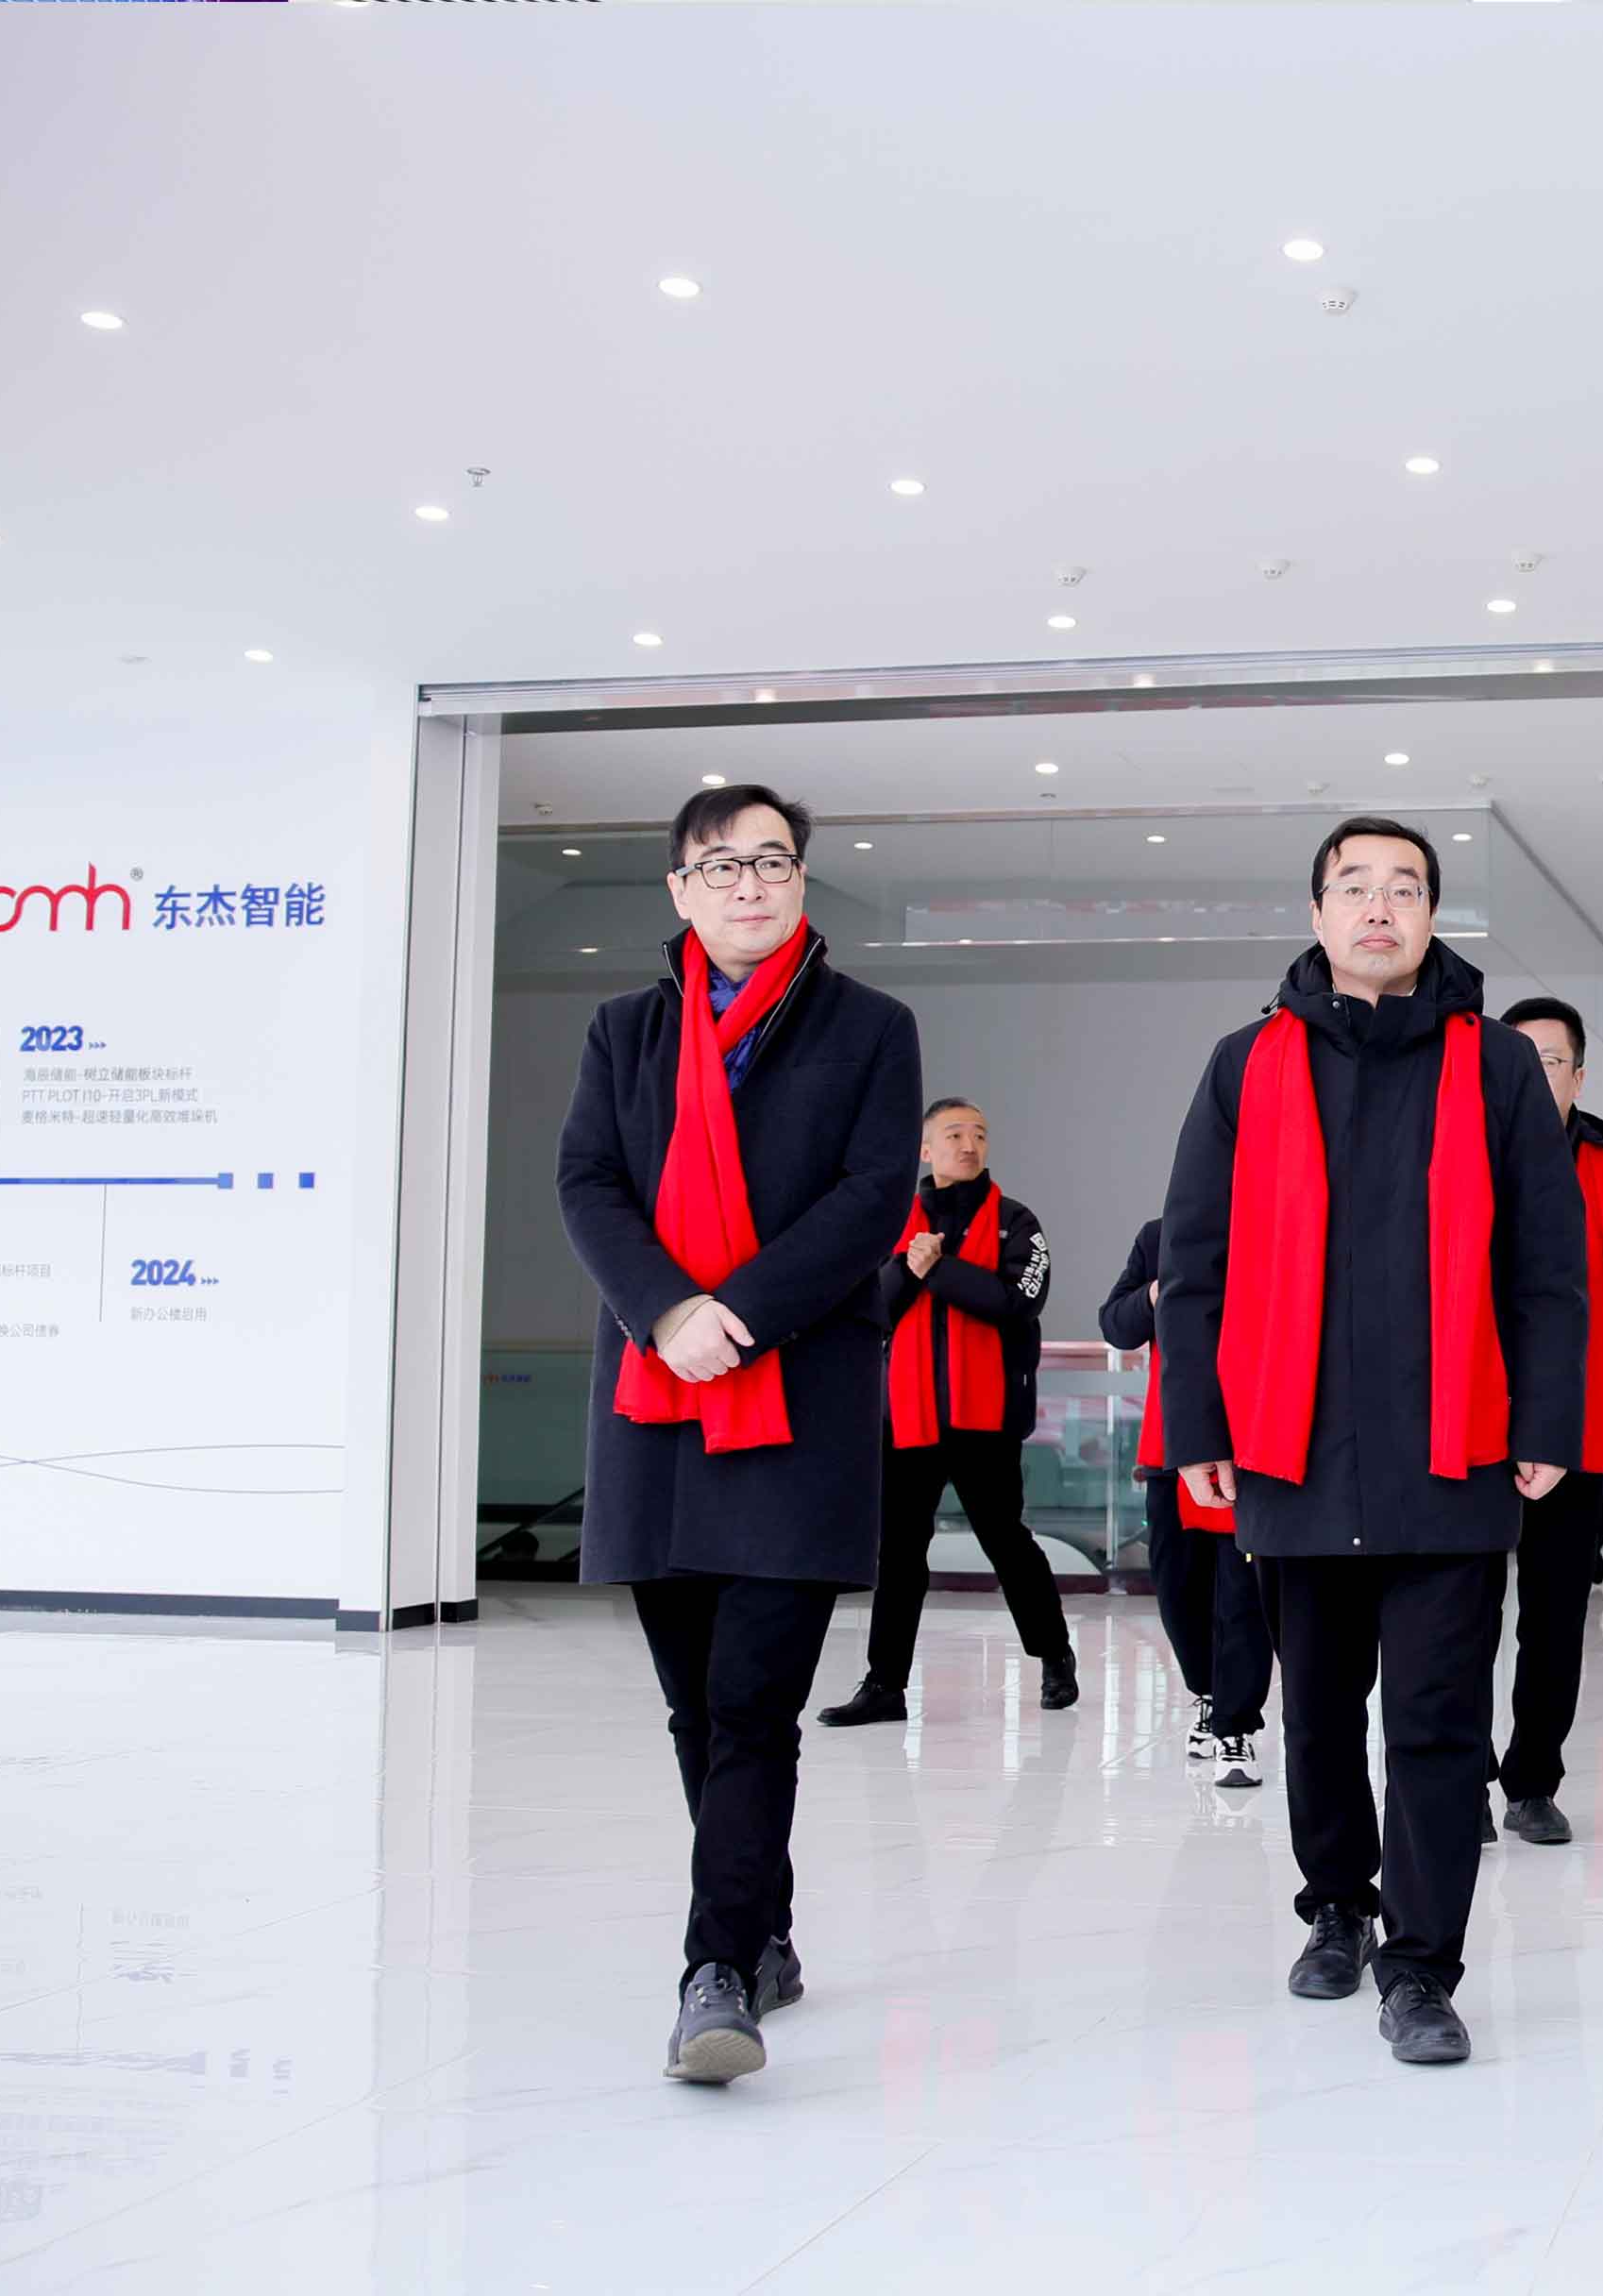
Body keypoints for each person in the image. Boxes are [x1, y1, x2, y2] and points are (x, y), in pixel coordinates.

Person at [1159, 816, 1586, 2068]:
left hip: (1453, 1445)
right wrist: (1199, 1425)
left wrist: (1545, 1416)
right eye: (1356, 886)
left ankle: (1423, 1968)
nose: (1381, 906)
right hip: (1292, 1448)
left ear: (1433, 915)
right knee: (1319, 1713)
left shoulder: (1495, 1063)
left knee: (1439, 1720)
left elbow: (1546, 1258)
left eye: (1406, 887)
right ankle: (1336, 1906)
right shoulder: (1245, 1065)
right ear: (1318, 913)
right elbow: (1195, 1261)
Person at [557, 782, 923, 2088]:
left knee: (753, 1705)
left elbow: (872, 1195)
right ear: (681, 889)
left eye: (772, 861)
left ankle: (713, 1970)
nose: (749, 883)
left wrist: (742, 1314)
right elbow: (588, 1179)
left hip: (796, 1398)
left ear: (802, 880)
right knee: (695, 1708)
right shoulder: (626, 1031)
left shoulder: (870, 1027)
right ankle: (761, 1929)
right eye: (722, 865)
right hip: (658, 1396)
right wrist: (667, 1311)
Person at [818, 1097, 1078, 1724]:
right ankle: (884, 1685)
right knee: (899, 1551)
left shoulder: (1017, 1222)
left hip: (986, 1417)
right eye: (955, 1134)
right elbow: (869, 1307)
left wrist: (937, 1269)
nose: (969, 1145)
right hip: (906, 1417)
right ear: (926, 1149)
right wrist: (909, 1268)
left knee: (1007, 1542)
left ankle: (1055, 1655)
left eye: (979, 1135)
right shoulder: (889, 1222)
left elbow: (1018, 1302)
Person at [1486, 994, 1603, 1849]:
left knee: (1555, 1617)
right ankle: (1453, 1781)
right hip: (1469, 1420)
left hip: (1576, 1427)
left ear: (1579, 1078)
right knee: (1456, 1617)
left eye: (1549, 1061)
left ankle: (1532, 1783)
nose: (1531, 1074)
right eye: (1515, 1058)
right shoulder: (1455, 1156)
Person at [1103, 1216, 1270, 1789]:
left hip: (1251, 1445)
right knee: (1178, 1589)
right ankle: (1208, 1693)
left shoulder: (1268, 1225)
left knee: (1243, 1596)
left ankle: (1236, 1725)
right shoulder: (1159, 1236)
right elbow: (1116, 1324)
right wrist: (1155, 1293)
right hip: (1171, 1446)